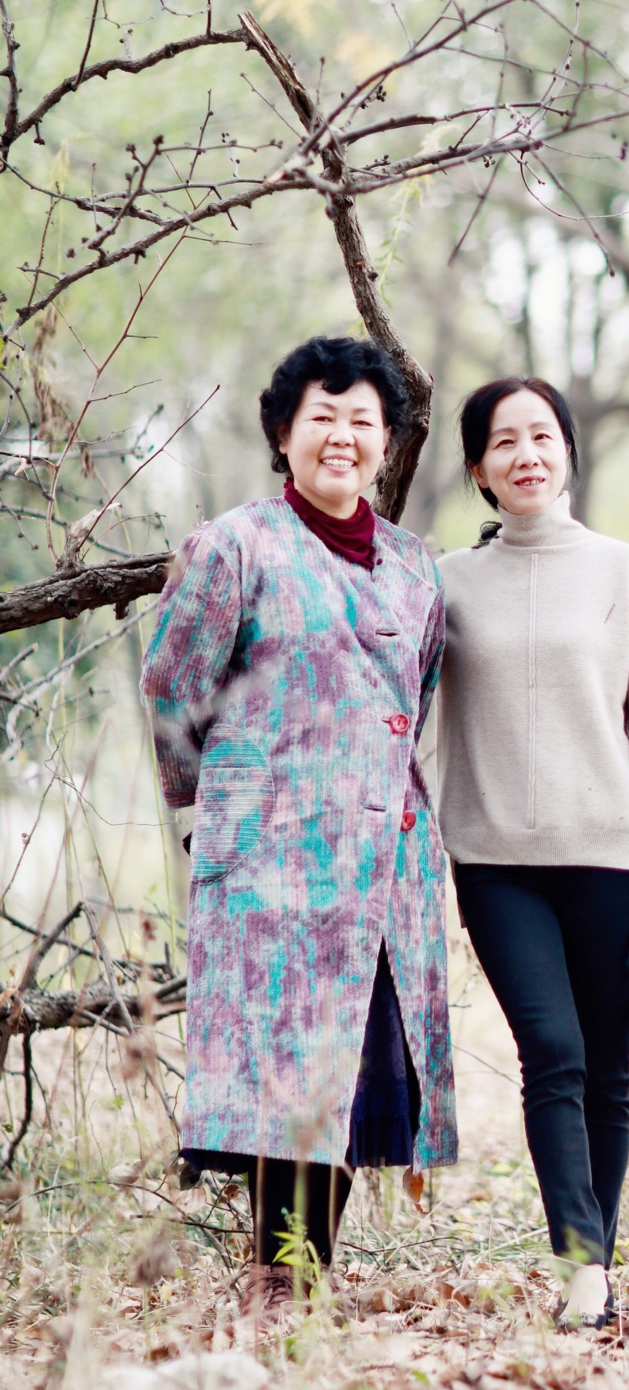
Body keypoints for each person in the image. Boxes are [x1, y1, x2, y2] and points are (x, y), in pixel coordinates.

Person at [141, 335, 456, 1312]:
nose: (342, 436)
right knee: (283, 1072)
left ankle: (305, 1273)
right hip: (269, 860)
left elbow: (417, 690)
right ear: (284, 433)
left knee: (358, 1071)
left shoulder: (414, 568)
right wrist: (203, 819)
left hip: (381, 860)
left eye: (363, 421)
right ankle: (282, 1278)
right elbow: (170, 690)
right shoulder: (233, 547)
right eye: (322, 416)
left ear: (386, 443)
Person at [436, 377, 629, 1330]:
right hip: (494, 859)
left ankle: (594, 1259)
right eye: (503, 442)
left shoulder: (623, 571)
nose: (525, 455)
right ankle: (579, 1261)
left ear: (568, 451)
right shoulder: (448, 583)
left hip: (608, 854)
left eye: (541, 436)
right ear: (478, 470)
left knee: (606, 1066)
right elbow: (418, 717)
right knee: (549, 1050)